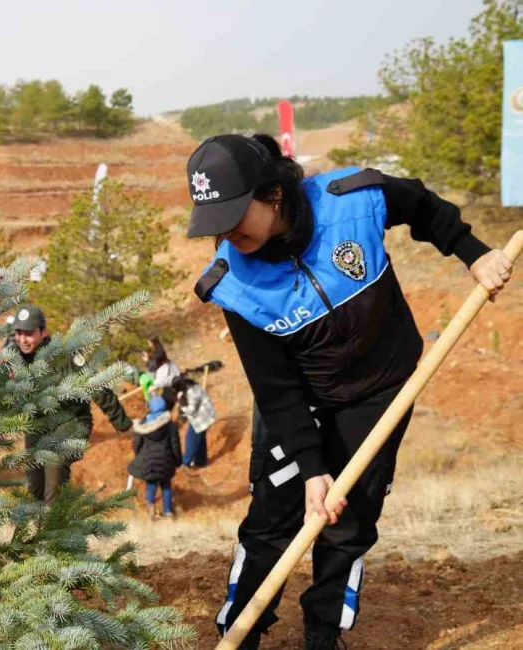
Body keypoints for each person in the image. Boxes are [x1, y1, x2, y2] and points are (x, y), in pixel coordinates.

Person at [186, 133, 513, 649]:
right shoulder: (235, 283)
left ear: (272, 193)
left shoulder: (353, 200)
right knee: (274, 520)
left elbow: (423, 206)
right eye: (213, 222)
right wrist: (313, 469)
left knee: (349, 521)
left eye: (233, 213)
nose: (225, 232)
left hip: (378, 392)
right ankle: (241, 629)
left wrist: (472, 253)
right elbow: (276, 389)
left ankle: (322, 634)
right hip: (297, 403)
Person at [0, 305, 133, 504]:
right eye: (19, 333)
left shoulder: (65, 355)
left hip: (71, 423)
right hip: (37, 426)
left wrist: (122, 422)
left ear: (43, 331)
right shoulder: (11, 357)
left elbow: (98, 386)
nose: (23, 340)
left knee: (55, 463)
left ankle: (51, 521)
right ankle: (41, 524)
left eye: (29, 334)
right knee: (35, 485)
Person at [128, 394, 181, 520]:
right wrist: (178, 461)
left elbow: (137, 443)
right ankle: (168, 513)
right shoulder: (170, 425)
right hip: (166, 462)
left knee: (151, 485)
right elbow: (175, 444)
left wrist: (139, 456)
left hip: (148, 462)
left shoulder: (144, 424)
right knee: (166, 486)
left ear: (151, 407)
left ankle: (151, 513)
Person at [172, 375, 216, 468]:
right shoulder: (191, 387)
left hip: (201, 418)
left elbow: (191, 410)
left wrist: (181, 404)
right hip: (204, 416)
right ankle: (201, 461)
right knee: (200, 440)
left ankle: (186, 461)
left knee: (191, 439)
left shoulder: (192, 392)